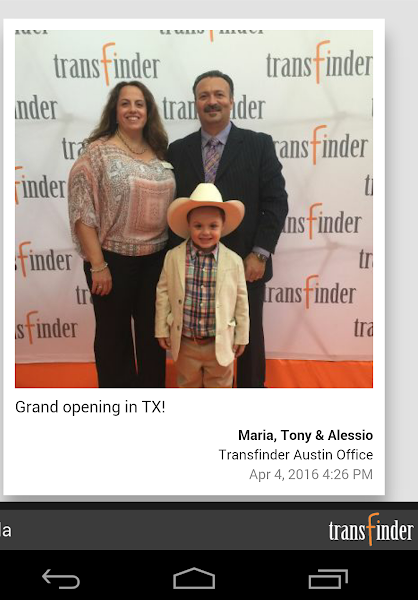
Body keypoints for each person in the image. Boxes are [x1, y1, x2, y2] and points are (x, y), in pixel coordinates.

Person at [167, 71, 288, 388]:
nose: (212, 101)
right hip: (192, 268)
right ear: (195, 103)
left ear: (232, 100)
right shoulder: (177, 150)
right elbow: (172, 208)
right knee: (197, 343)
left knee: (248, 339)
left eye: (219, 94)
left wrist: (259, 254)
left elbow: (276, 202)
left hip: (247, 264)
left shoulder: (259, 145)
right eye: (204, 95)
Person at [68, 82, 175, 388]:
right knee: (113, 338)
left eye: (139, 104)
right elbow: (82, 210)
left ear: (148, 111)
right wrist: (98, 264)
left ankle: (152, 400)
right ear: (114, 111)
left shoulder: (160, 150)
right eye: (125, 103)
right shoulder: (97, 152)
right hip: (111, 262)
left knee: (153, 337)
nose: (132, 109)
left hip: (156, 261)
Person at [155, 184, 249, 388]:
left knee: (220, 387)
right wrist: (161, 329)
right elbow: (163, 293)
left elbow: (241, 301)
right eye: (198, 226)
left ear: (222, 226)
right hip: (186, 343)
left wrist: (242, 335)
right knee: (187, 385)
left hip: (220, 343)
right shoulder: (173, 257)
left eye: (213, 226)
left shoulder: (234, 261)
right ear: (188, 225)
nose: (205, 232)